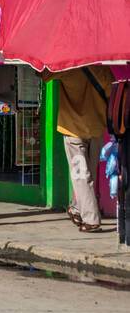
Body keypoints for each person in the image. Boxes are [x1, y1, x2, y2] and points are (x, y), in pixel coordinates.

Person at [51, 66, 113, 233]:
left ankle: (91, 219)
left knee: (80, 175)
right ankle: (77, 208)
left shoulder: (66, 68)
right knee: (89, 173)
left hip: (73, 130)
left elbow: (43, 74)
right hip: (96, 128)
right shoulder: (103, 70)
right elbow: (110, 94)